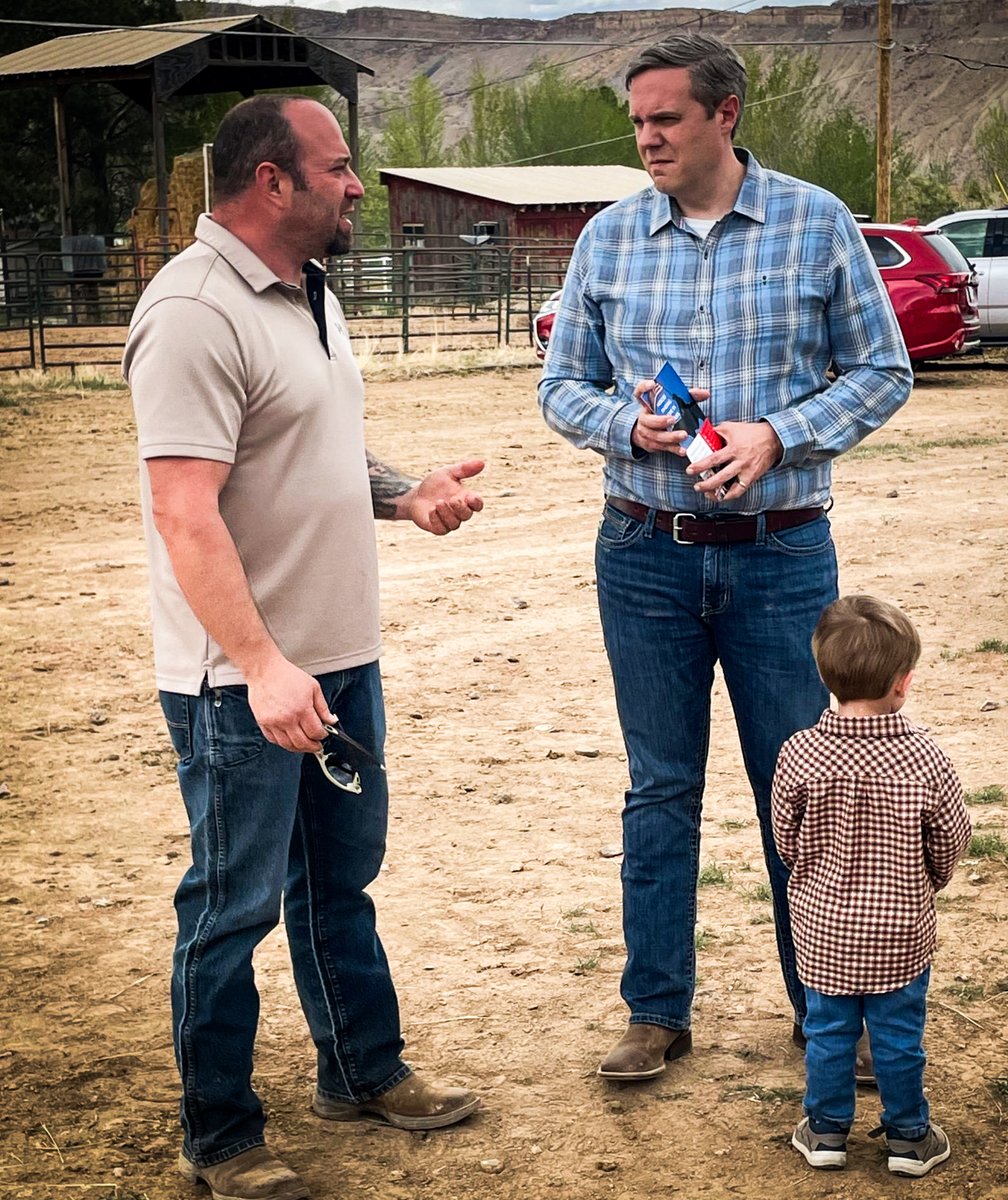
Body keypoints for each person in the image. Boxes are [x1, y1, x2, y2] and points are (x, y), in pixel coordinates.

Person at [123, 95, 484, 1200]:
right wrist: (263, 666)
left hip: (336, 659)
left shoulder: (303, 291)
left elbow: (307, 447)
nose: (358, 184)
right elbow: (186, 513)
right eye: (338, 166)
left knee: (339, 883)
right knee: (230, 904)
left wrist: (401, 493)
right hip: (242, 682)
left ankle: (361, 1071)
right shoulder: (192, 312)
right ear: (272, 182)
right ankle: (221, 1135)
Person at [538, 31, 912, 1080]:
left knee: (798, 784)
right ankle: (655, 1013)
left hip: (782, 556)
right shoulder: (608, 239)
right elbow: (560, 385)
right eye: (640, 119)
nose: (647, 136)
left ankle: (824, 1009)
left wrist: (777, 436)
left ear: (726, 112)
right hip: (643, 552)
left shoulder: (815, 221)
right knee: (659, 789)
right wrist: (626, 427)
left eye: (666, 117)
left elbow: (882, 370)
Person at [771, 596, 971, 1177]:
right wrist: (927, 881)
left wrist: (811, 876)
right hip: (900, 930)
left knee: (828, 1030)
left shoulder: (800, 752)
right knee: (899, 1035)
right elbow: (950, 836)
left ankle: (827, 1130)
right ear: (903, 683)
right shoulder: (926, 757)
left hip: (823, 927)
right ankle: (909, 1136)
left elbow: (784, 836)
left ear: (825, 675)